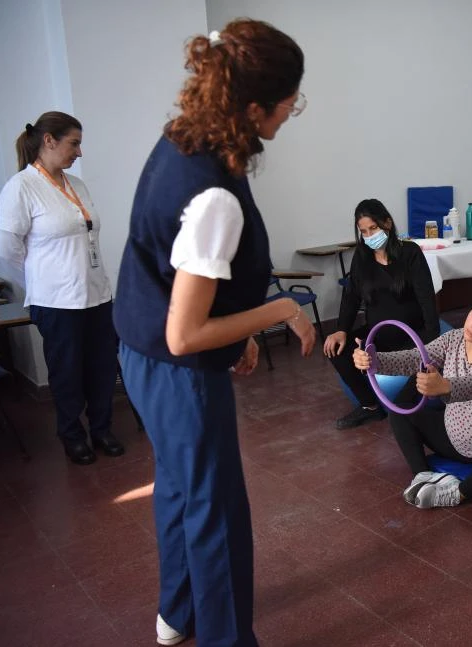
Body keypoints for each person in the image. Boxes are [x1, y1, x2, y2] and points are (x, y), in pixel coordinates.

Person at [112, 20, 314, 647]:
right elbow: (186, 333)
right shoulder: (214, 195)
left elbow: (188, 282)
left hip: (138, 349)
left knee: (177, 484)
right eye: (290, 102)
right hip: (176, 371)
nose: (291, 112)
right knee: (217, 510)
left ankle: (176, 614)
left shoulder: (187, 139)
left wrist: (238, 332)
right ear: (254, 105)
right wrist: (278, 312)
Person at [0, 111, 123, 465]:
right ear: (48, 140)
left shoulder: (76, 185)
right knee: (67, 372)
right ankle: (72, 435)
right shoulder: (21, 187)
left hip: (97, 295)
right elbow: (7, 249)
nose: (79, 152)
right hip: (56, 302)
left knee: (102, 367)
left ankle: (101, 429)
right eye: (74, 143)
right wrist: (43, 275)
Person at [353, 291, 472, 508]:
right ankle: (423, 476)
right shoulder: (454, 338)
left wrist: (445, 386)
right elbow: (416, 358)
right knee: (401, 412)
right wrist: (375, 361)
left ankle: (459, 493)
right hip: (454, 440)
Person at [323, 198, 439, 429]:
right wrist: (341, 330)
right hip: (378, 334)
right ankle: (370, 407)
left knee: (416, 371)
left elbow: (427, 299)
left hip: (411, 333)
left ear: (387, 223)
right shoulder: (362, 258)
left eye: (373, 228)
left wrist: (433, 342)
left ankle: (410, 407)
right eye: (363, 231)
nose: (369, 235)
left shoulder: (410, 253)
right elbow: (351, 296)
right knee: (336, 351)